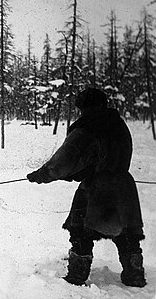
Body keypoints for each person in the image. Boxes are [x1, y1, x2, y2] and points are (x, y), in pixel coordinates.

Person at [27, 87, 146, 287]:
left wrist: (42, 174)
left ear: (86, 107)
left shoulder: (88, 127)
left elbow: (66, 159)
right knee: (126, 234)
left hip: (96, 188)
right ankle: (134, 273)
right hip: (124, 187)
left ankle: (77, 274)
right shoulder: (118, 125)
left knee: (80, 230)